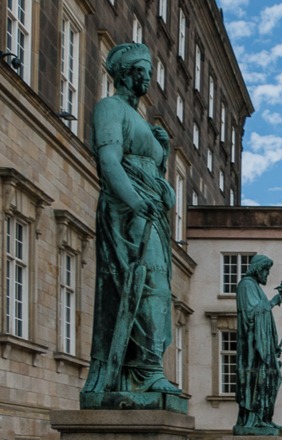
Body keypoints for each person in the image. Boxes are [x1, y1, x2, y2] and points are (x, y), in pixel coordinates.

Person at [81, 42, 179, 399]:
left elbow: (152, 173)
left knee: (159, 288)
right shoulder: (110, 108)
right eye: (142, 71)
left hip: (151, 214)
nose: (148, 78)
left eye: (150, 72)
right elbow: (109, 162)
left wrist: (162, 153)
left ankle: (147, 368)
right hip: (128, 214)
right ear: (125, 74)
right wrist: (137, 202)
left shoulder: (142, 122)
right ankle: (144, 371)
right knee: (146, 284)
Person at [234, 254, 282, 435]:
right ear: (258, 269)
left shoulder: (254, 287)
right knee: (260, 379)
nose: (267, 275)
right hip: (252, 352)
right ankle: (254, 419)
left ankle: (264, 418)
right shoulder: (246, 285)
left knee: (273, 377)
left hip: (261, 347)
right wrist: (272, 302)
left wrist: (271, 345)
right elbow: (252, 314)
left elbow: (262, 318)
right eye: (266, 270)